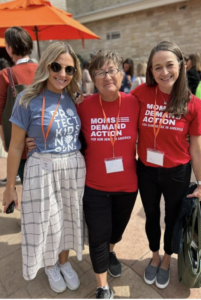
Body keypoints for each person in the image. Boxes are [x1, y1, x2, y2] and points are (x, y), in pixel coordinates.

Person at [26, 50, 139, 299]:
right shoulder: (82, 105)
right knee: (98, 235)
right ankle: (102, 286)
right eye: (99, 72)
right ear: (92, 77)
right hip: (95, 186)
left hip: (128, 186)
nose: (106, 76)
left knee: (115, 232)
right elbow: (56, 124)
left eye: (111, 70)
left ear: (122, 73)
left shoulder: (135, 102)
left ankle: (111, 251)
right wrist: (35, 140)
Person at [2, 42, 86, 294]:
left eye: (69, 69)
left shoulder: (75, 96)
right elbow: (16, 147)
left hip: (73, 168)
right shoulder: (27, 99)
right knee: (48, 221)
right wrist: (9, 188)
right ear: (45, 65)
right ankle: (50, 265)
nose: (62, 74)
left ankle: (64, 261)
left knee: (70, 219)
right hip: (43, 169)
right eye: (56, 66)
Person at [131, 41, 201, 289]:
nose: (164, 72)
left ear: (181, 66)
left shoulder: (193, 104)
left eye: (170, 65)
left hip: (177, 171)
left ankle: (166, 258)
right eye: (158, 67)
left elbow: (195, 147)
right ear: (151, 71)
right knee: (151, 215)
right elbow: (112, 107)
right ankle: (154, 255)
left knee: (173, 217)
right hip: (147, 170)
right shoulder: (140, 93)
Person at [0, 26, 38, 184]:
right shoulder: (44, 71)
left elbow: (1, 112)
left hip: (20, 144)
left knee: (29, 188)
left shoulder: (6, 74)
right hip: (45, 139)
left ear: (10, 48)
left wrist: (5, 140)